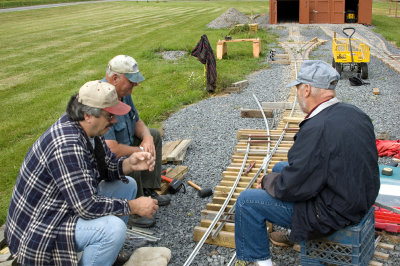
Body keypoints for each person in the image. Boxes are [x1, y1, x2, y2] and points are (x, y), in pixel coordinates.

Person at [234, 60, 380, 266]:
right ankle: (298, 236)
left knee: (247, 202)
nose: (297, 94)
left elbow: (294, 187)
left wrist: (267, 182)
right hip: (357, 197)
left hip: (333, 212)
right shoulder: (354, 113)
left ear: (307, 89)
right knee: (279, 168)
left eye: (297, 88)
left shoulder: (316, 128)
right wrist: (276, 178)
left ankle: (263, 263)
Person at [5, 80, 159, 265]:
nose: (115, 121)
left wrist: (129, 164)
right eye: (110, 116)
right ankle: (104, 248)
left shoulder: (88, 129)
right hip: (39, 229)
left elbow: (107, 168)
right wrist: (134, 207)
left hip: (63, 207)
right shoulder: (68, 145)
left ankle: (108, 254)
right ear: (88, 115)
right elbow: (86, 206)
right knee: (113, 230)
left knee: (127, 184)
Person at [102, 55, 170, 228]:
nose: (136, 84)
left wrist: (146, 138)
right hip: (109, 158)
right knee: (134, 157)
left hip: (123, 143)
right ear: (115, 78)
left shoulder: (123, 93)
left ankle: (147, 190)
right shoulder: (102, 98)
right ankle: (133, 209)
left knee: (154, 135)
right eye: (131, 80)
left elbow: (137, 121)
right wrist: (139, 149)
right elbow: (112, 149)